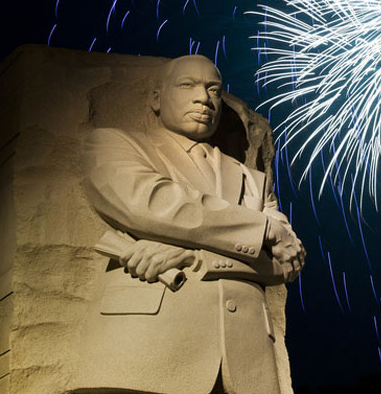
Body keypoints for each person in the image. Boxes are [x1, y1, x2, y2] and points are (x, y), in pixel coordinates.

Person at [73, 55, 306, 394]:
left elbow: (286, 262)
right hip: (147, 348)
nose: (204, 98)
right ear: (156, 98)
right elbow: (153, 202)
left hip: (248, 361)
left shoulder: (253, 181)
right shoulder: (114, 144)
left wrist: (191, 257)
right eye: (187, 85)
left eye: (214, 89)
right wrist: (263, 228)